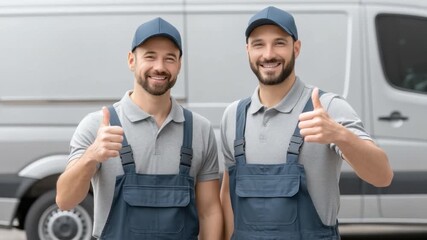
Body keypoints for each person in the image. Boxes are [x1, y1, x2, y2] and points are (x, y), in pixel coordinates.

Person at [219, 6, 393, 240]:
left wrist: (340, 135)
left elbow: (382, 177)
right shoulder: (233, 116)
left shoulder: (327, 108)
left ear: (296, 48)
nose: (268, 54)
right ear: (248, 50)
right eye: (259, 44)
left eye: (280, 43)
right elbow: (228, 199)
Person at [56, 17, 223, 240]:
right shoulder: (97, 126)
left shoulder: (200, 130)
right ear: (131, 60)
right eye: (150, 56)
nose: (160, 67)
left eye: (169, 58)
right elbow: (65, 200)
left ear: (179, 64)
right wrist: (91, 156)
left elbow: (210, 211)